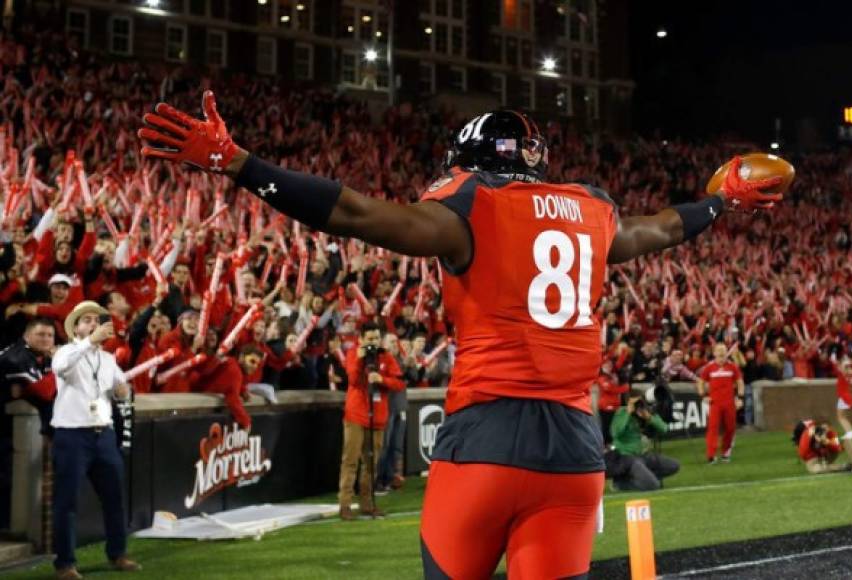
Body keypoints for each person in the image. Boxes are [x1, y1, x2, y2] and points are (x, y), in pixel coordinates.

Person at [139, 94, 782, 578]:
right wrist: (723, 202)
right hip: (575, 454)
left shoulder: (471, 206)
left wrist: (240, 163)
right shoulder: (592, 209)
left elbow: (354, 213)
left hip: (485, 441)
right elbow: (666, 228)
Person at [51, 301, 141, 579]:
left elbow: (120, 390)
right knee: (67, 501)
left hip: (104, 433)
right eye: (86, 320)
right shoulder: (66, 351)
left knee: (114, 497)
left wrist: (124, 391)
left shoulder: (108, 358)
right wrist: (89, 342)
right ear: (76, 328)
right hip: (72, 435)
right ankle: (65, 563)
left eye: (96, 320)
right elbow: (61, 368)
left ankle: (118, 552)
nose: (92, 324)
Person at [337, 322, 403, 520]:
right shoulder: (353, 354)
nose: (373, 342)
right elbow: (354, 381)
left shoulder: (387, 356)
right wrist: (359, 360)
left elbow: (399, 383)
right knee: (350, 461)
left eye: (376, 338)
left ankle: (367, 503)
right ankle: (345, 505)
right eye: (370, 339)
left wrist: (382, 380)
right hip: (356, 414)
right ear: (361, 339)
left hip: (378, 416)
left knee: (371, 463)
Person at [0, 317, 57, 529]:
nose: (46, 339)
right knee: (8, 477)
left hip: (9, 427)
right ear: (27, 335)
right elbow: (43, 392)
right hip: (6, 428)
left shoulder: (33, 356)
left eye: (50, 335)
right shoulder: (17, 357)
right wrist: (58, 368)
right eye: (40, 334)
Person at [606, 395, 679, 491]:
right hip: (627, 457)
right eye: (634, 403)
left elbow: (664, 428)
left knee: (674, 465)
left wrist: (649, 418)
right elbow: (615, 433)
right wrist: (628, 412)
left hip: (644, 455)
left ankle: (643, 477)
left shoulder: (645, 411)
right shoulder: (622, 412)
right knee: (653, 486)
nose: (637, 405)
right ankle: (620, 484)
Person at [697, 343, 745, 464]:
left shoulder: (732, 367)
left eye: (723, 351)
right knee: (713, 429)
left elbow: (740, 382)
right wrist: (703, 396)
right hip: (715, 403)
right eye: (719, 351)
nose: (721, 354)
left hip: (729, 402)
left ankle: (725, 452)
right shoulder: (709, 367)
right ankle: (711, 455)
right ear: (714, 353)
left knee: (730, 428)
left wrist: (739, 398)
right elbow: (700, 382)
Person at [376, 332, 409, 494]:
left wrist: (411, 366)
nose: (395, 345)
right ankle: (379, 480)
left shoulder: (402, 361)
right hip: (386, 407)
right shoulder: (381, 360)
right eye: (391, 342)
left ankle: (390, 478)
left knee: (396, 446)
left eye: (396, 342)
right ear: (383, 344)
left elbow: (413, 377)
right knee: (385, 445)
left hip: (400, 407)